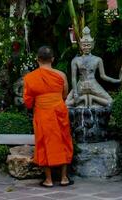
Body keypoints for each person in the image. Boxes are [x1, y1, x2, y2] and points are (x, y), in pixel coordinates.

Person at [23, 46, 74, 187]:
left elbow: (28, 102)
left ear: (37, 59)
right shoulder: (61, 75)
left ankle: (49, 180)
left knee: (44, 142)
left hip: (42, 111)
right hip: (59, 110)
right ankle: (64, 178)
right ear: (52, 59)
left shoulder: (30, 78)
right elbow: (64, 95)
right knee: (63, 140)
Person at [66, 26, 121, 108]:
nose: (86, 47)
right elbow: (73, 78)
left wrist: (116, 80)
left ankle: (92, 98)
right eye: (84, 45)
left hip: (93, 84)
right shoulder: (76, 60)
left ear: (93, 45)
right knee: (66, 103)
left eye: (88, 45)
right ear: (80, 45)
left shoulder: (98, 59)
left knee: (111, 102)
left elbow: (103, 76)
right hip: (80, 85)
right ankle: (84, 98)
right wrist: (75, 93)